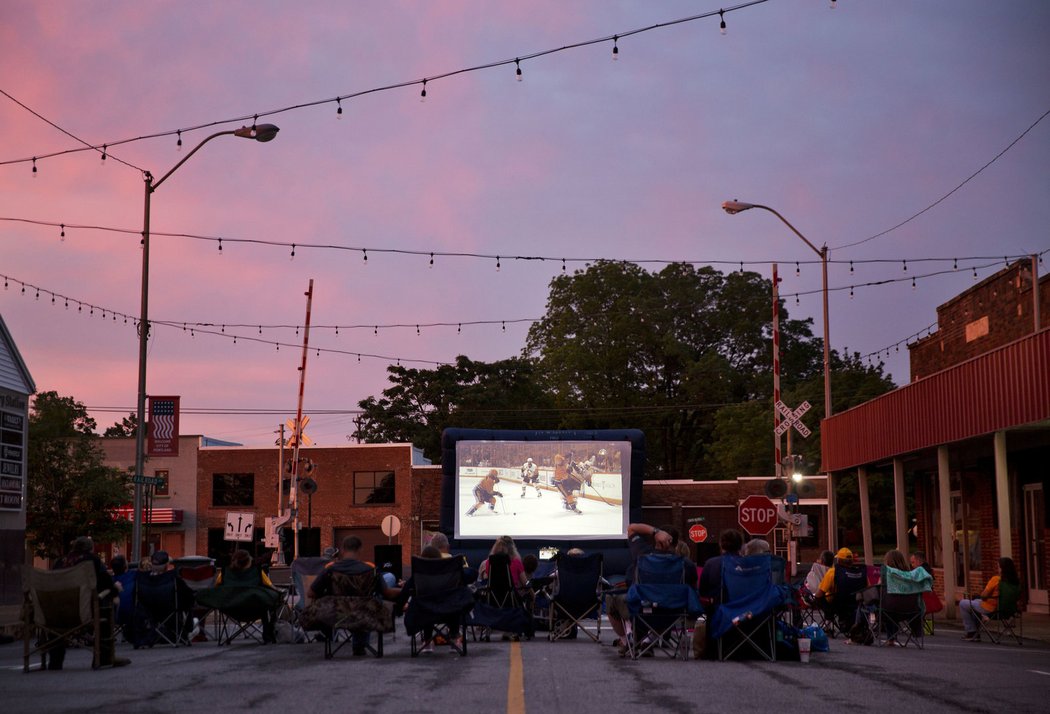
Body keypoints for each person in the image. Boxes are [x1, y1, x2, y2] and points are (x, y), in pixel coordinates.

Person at [606, 523, 696, 656]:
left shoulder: (642, 554)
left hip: (641, 610)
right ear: (677, 544)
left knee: (612, 598)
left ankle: (627, 640)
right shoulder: (686, 565)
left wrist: (656, 530)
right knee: (663, 603)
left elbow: (631, 528)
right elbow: (692, 590)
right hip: (673, 612)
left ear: (656, 539)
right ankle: (649, 640)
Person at [47, 536, 130, 670]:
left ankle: (55, 660)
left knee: (57, 621)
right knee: (106, 608)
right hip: (83, 611)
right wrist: (115, 591)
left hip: (56, 613)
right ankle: (104, 657)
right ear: (91, 549)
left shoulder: (59, 562)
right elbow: (106, 582)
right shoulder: (92, 560)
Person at [308, 535, 399, 655]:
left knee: (356, 604)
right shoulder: (370, 569)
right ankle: (360, 645)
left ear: (342, 549)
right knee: (371, 600)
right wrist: (406, 590)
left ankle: (332, 640)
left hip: (337, 614)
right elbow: (387, 593)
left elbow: (311, 593)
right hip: (365, 614)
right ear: (360, 549)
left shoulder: (330, 569)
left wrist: (328, 594)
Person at [959, 556, 1019, 642]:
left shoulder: (996, 579)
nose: (997, 569)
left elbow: (984, 595)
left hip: (991, 609)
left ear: (1002, 569)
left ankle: (971, 631)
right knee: (975, 602)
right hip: (1009, 611)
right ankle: (975, 632)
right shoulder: (1016, 582)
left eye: (998, 567)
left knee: (963, 603)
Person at [697, 529, 745, 618]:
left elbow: (703, 591)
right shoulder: (747, 564)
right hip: (743, 613)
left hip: (718, 613)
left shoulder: (711, 563)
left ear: (721, 544)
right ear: (741, 545)